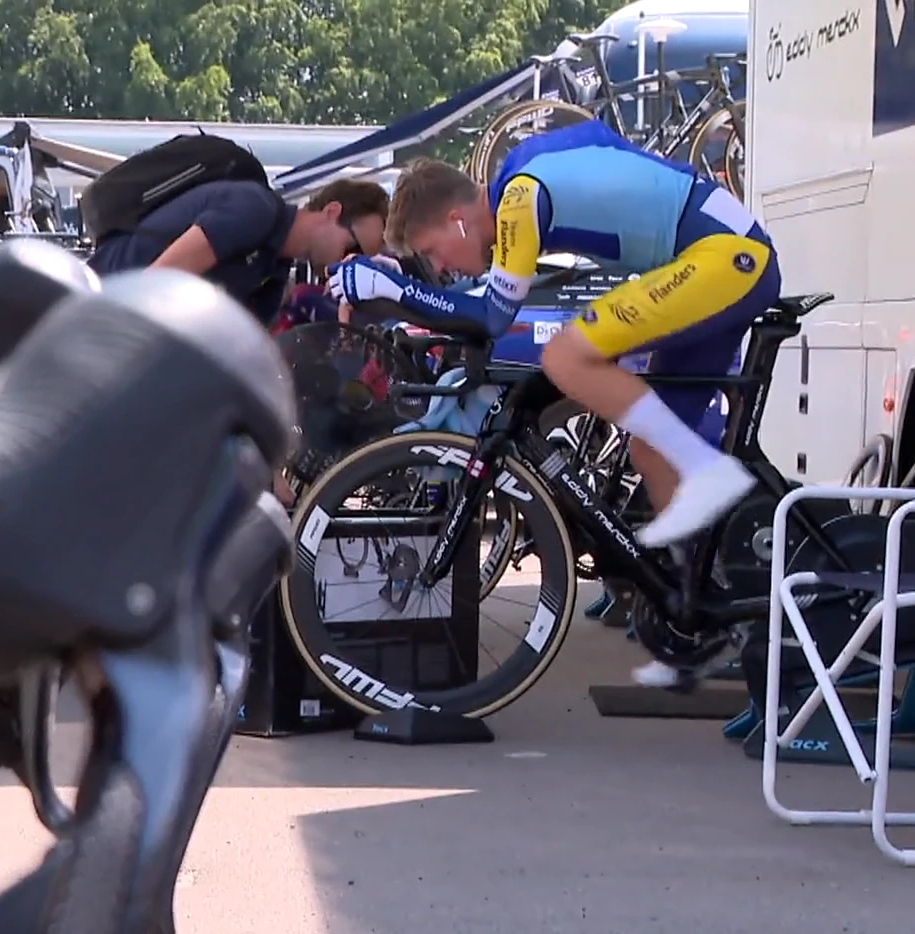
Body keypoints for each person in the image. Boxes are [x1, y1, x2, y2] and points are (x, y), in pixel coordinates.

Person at [327, 120, 782, 687]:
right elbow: (599, 137)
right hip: (708, 255)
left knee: (567, 357)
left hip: (723, 256)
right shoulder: (526, 170)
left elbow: (492, 317)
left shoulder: (518, 199)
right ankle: (704, 619)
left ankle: (706, 470)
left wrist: (393, 291)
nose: (439, 267)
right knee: (648, 454)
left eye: (432, 252)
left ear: (457, 219)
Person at [87, 176, 390, 327]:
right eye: (353, 247)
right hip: (101, 308)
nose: (348, 261)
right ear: (332, 211)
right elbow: (153, 283)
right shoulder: (252, 209)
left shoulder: (273, 274)